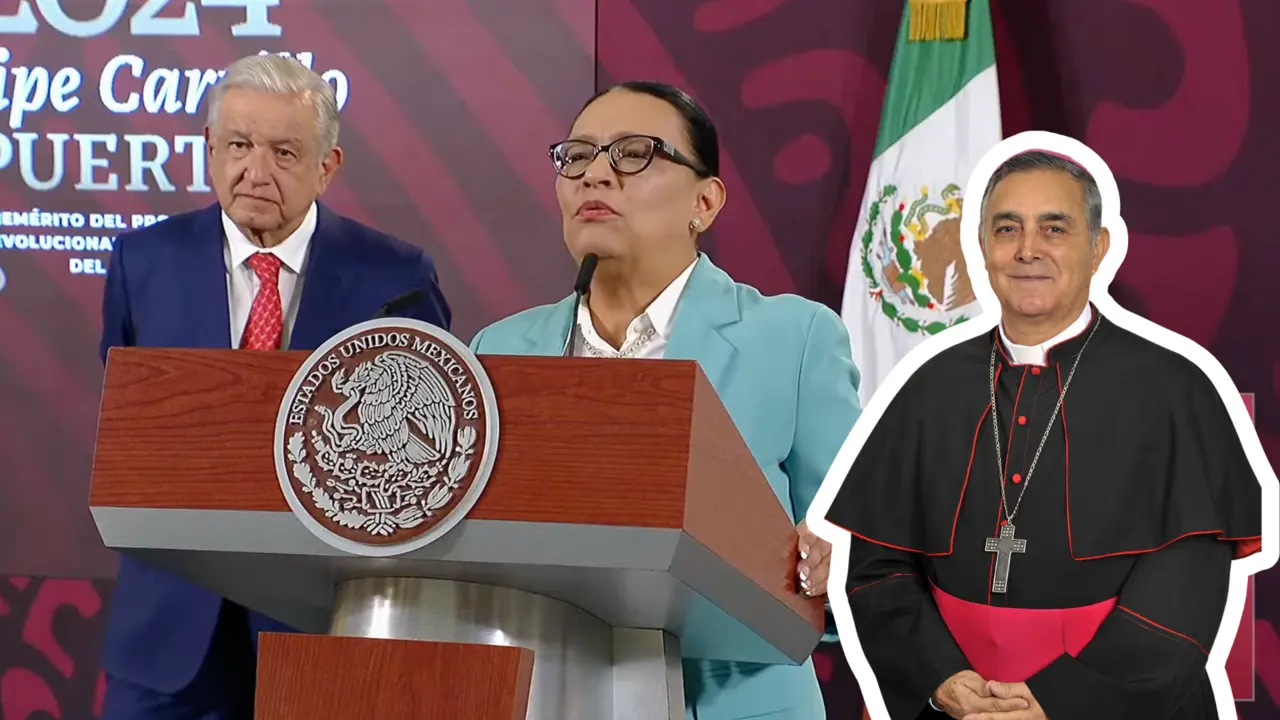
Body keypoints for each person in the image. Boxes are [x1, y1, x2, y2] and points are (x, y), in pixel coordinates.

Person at [822, 150, 1264, 720]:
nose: (1028, 249)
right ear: (981, 247)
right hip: (960, 707)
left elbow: (1187, 584)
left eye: (1054, 228)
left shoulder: (1174, 387)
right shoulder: (928, 386)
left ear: (1099, 247)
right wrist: (939, 677)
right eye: (1007, 229)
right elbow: (877, 566)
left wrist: (1063, 700)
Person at [468, 80, 861, 719]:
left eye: (633, 153)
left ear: (704, 203)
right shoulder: (499, 348)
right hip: (541, 694)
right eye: (577, 156)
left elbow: (862, 559)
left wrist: (833, 561)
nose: (596, 174)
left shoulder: (792, 340)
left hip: (734, 700)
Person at [97, 54, 451, 719]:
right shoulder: (142, 262)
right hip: (167, 632)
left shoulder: (394, 279)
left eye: (284, 152)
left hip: (323, 625)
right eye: (238, 145)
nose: (255, 171)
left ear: (328, 166)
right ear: (209, 150)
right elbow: (126, 428)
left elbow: (422, 466)